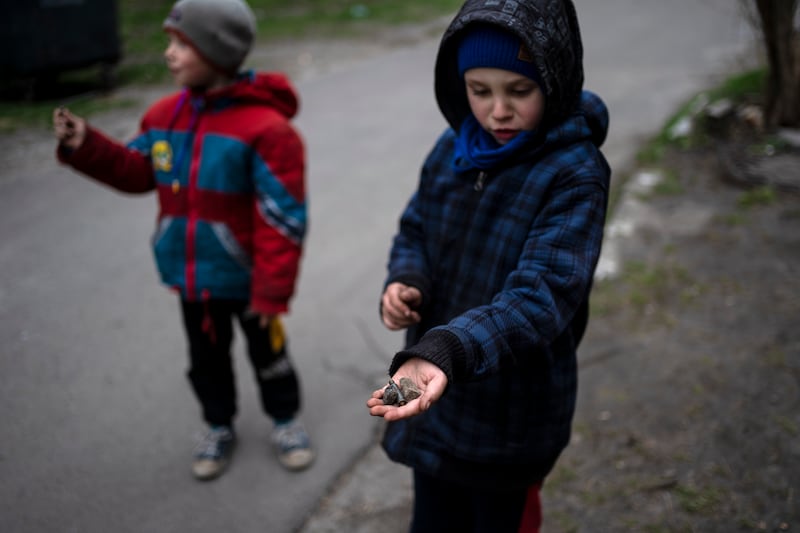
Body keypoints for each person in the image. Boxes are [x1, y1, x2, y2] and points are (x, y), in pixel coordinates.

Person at [367, 0, 611, 530]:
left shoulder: (574, 174)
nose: (497, 111)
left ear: (556, 78)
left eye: (518, 91)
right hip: (434, 396)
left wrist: (447, 348)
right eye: (480, 91)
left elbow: (540, 297)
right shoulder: (453, 148)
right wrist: (406, 278)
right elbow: (416, 229)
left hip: (510, 415)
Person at [53, 0, 314, 481]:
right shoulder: (162, 117)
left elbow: (283, 220)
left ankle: (285, 420)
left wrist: (272, 292)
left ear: (217, 52)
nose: (168, 53)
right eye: (170, 41)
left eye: (181, 44)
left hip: (251, 279)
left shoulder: (268, 131)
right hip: (194, 277)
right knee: (205, 360)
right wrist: (86, 145)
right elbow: (137, 172)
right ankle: (218, 424)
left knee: (269, 356)